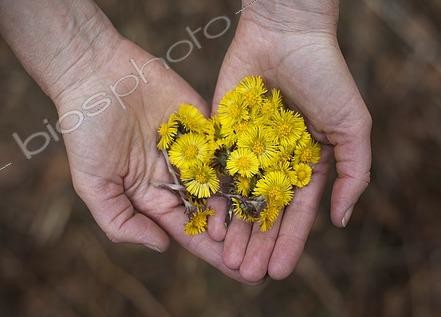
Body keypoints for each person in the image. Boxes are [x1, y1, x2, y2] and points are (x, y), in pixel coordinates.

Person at [0, 0, 371, 284]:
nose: (252, 155)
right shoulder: (219, 157)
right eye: (251, 152)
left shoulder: (267, 149)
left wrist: (290, 12)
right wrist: (79, 64)